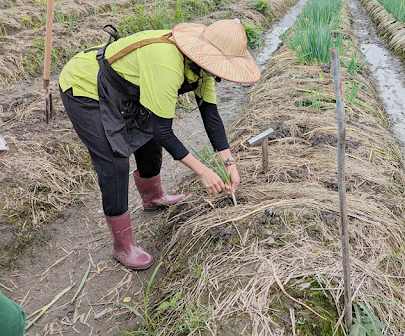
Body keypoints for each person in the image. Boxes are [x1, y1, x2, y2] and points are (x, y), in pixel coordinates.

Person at [58, 19, 261, 270]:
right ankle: (122, 246)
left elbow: (210, 114)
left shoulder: (201, 68)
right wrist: (203, 171)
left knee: (148, 139)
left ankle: (153, 198)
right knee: (114, 162)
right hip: (85, 85)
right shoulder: (167, 62)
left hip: (125, 88)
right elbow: (164, 131)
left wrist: (229, 162)